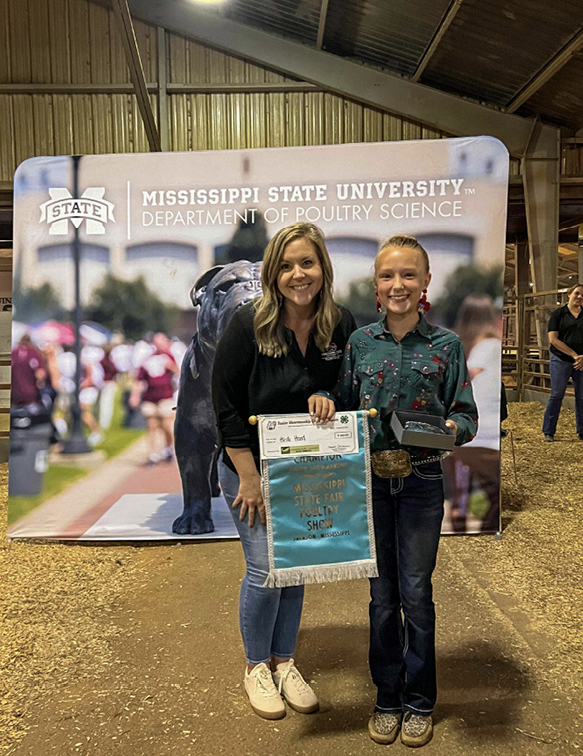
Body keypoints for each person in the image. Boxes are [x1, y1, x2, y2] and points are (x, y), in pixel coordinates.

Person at [328, 235, 478, 747]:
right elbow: (342, 401)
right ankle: (385, 696)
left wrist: (449, 431)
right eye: (388, 276)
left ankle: (419, 701)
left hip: (421, 481)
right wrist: (322, 401)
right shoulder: (359, 344)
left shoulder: (447, 347)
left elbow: (467, 416)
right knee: (380, 596)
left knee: (416, 593)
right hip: (369, 480)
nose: (399, 285)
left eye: (409, 275)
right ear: (376, 285)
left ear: (425, 283)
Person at [211, 222, 356, 720]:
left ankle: (284, 661)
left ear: (323, 269)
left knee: (295, 567)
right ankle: (256, 667)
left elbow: (350, 386)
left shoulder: (340, 322)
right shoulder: (248, 323)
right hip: (249, 467)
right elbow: (225, 406)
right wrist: (247, 477)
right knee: (263, 567)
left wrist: (331, 396)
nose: (299, 274)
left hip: (307, 468)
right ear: (273, 273)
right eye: (288, 265)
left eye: (308, 263)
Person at [445, 295, 502, 533]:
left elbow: (462, 380)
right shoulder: (492, 345)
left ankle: (459, 509)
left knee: (458, 456)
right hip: (489, 434)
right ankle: (474, 518)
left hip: (471, 432)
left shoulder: (469, 346)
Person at [129, 332, 180, 464]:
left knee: (167, 425)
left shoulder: (170, 358)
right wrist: (135, 396)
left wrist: (171, 366)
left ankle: (169, 447)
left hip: (166, 396)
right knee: (152, 426)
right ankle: (153, 453)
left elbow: (179, 374)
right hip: (150, 397)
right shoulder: (148, 359)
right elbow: (139, 380)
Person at [541, 283, 583, 441]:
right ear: (569, 294)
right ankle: (549, 431)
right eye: (577, 293)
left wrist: (582, 357)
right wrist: (574, 355)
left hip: (581, 361)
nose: (579, 297)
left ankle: (582, 430)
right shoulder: (558, 314)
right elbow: (553, 340)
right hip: (561, 359)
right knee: (557, 394)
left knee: (582, 396)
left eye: (582, 295)